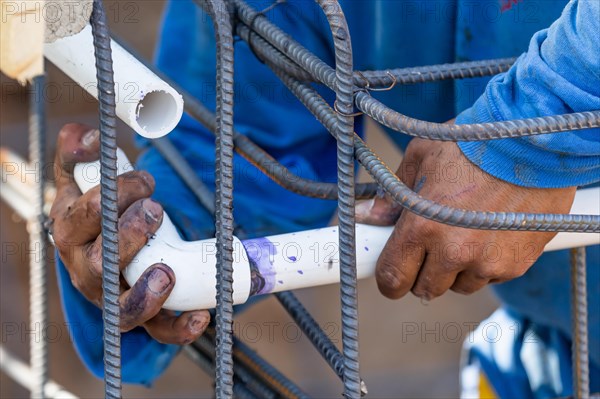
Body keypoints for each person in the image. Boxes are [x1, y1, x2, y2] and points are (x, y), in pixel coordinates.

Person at [49, 0, 599, 396]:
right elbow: (248, 147)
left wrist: (527, 138)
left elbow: (519, 144)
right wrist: (139, 246)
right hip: (559, 355)